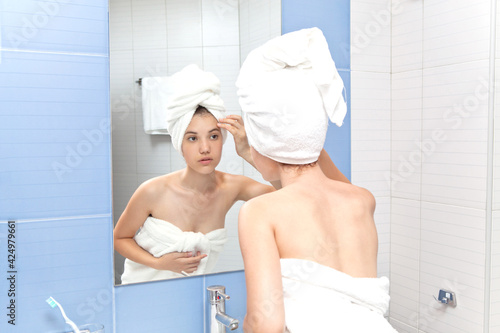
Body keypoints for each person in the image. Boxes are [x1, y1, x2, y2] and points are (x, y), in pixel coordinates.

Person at [236, 28, 397, 332]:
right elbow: (308, 170)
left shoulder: (258, 212)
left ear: (264, 144)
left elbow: (264, 323)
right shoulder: (362, 200)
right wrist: (275, 139)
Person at [113, 65, 275, 284]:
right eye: (192, 138)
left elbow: (289, 194)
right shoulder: (152, 191)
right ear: (179, 142)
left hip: (193, 294)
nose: (205, 148)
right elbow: (120, 238)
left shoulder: (232, 187)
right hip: (143, 294)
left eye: (214, 136)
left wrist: (248, 153)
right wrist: (160, 263)